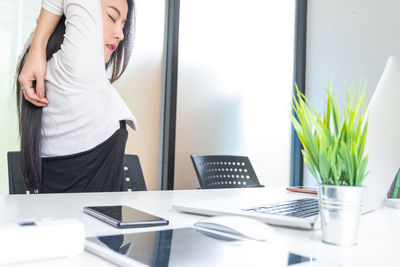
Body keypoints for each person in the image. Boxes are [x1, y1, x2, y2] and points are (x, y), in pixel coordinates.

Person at [16, 0, 137, 193]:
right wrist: (37, 47)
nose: (120, 35)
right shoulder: (75, 67)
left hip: (66, 218)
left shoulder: (48, 69)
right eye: (112, 18)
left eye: (122, 25)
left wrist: (37, 47)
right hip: (89, 220)